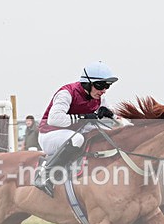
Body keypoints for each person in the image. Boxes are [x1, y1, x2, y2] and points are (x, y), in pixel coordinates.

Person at [33, 61, 118, 196]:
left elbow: (116, 121)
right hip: (49, 134)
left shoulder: (99, 99)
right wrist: (85, 117)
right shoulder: (67, 93)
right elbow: (54, 119)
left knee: (103, 132)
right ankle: (45, 173)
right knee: (78, 139)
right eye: (100, 85)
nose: (104, 90)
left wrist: (110, 115)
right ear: (87, 83)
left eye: (107, 86)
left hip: (71, 132)